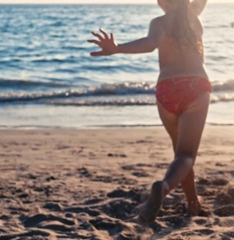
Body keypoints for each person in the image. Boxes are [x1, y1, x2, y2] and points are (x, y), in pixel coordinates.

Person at [88, 0, 210, 223]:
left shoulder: (159, 23)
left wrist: (117, 49)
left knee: (179, 155)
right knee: (186, 155)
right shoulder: (194, 13)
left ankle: (194, 205)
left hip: (167, 89)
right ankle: (164, 188)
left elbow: (150, 43)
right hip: (195, 87)